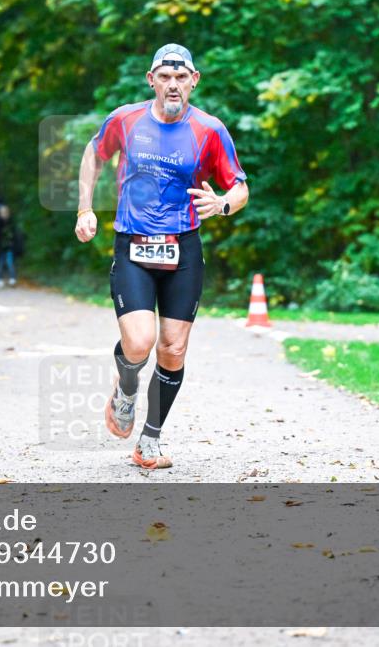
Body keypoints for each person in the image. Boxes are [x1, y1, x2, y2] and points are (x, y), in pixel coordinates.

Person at [75, 44, 249, 469]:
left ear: (194, 81)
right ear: (151, 80)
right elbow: (93, 155)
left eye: (181, 77)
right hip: (133, 243)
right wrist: (84, 209)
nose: (173, 84)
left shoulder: (209, 130)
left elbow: (240, 186)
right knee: (139, 342)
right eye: (165, 77)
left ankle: (149, 440)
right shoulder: (125, 119)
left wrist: (223, 204)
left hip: (183, 247)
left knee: (173, 348)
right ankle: (126, 387)